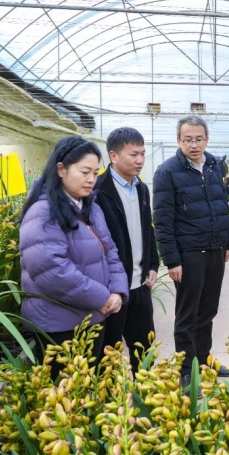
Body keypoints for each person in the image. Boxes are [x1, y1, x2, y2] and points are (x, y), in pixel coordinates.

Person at [20, 136, 129, 378]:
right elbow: (52, 271)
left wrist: (117, 291)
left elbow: (110, 252)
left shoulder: (91, 207)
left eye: (95, 173)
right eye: (84, 172)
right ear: (61, 169)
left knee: (88, 387)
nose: (91, 179)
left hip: (93, 317)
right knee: (67, 393)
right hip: (60, 325)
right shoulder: (42, 212)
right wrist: (102, 297)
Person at [152, 116, 229, 388]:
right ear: (178, 140)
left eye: (199, 139)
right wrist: (172, 260)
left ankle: (204, 359)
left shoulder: (214, 166)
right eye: (187, 139)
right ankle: (186, 369)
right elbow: (163, 220)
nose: (194, 144)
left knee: (208, 310)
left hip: (215, 249)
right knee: (188, 314)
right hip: (189, 254)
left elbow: (222, 205)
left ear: (206, 139)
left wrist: (226, 242)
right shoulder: (167, 172)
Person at [94, 127, 160, 375]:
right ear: (113, 156)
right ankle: (109, 396)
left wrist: (152, 264)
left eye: (142, 154)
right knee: (108, 354)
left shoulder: (141, 188)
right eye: (133, 155)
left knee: (144, 350)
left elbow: (147, 229)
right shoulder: (98, 191)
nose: (140, 160)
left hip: (140, 285)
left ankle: (145, 394)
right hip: (112, 289)